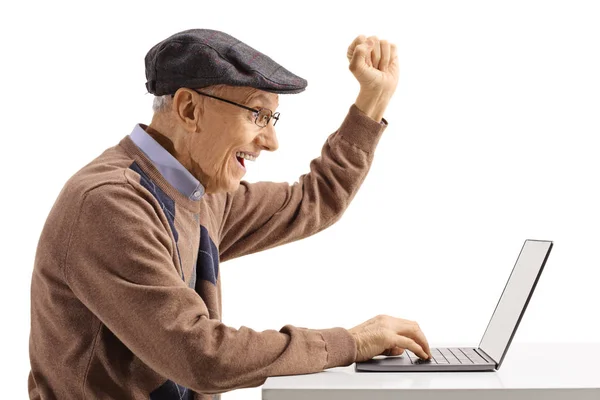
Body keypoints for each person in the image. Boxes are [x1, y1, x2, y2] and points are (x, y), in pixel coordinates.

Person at [28, 29, 431, 400]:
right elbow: (201, 356)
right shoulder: (110, 204)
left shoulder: (199, 191)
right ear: (188, 109)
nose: (271, 141)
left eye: (272, 118)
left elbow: (315, 200)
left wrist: (372, 101)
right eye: (257, 114)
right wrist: (349, 343)